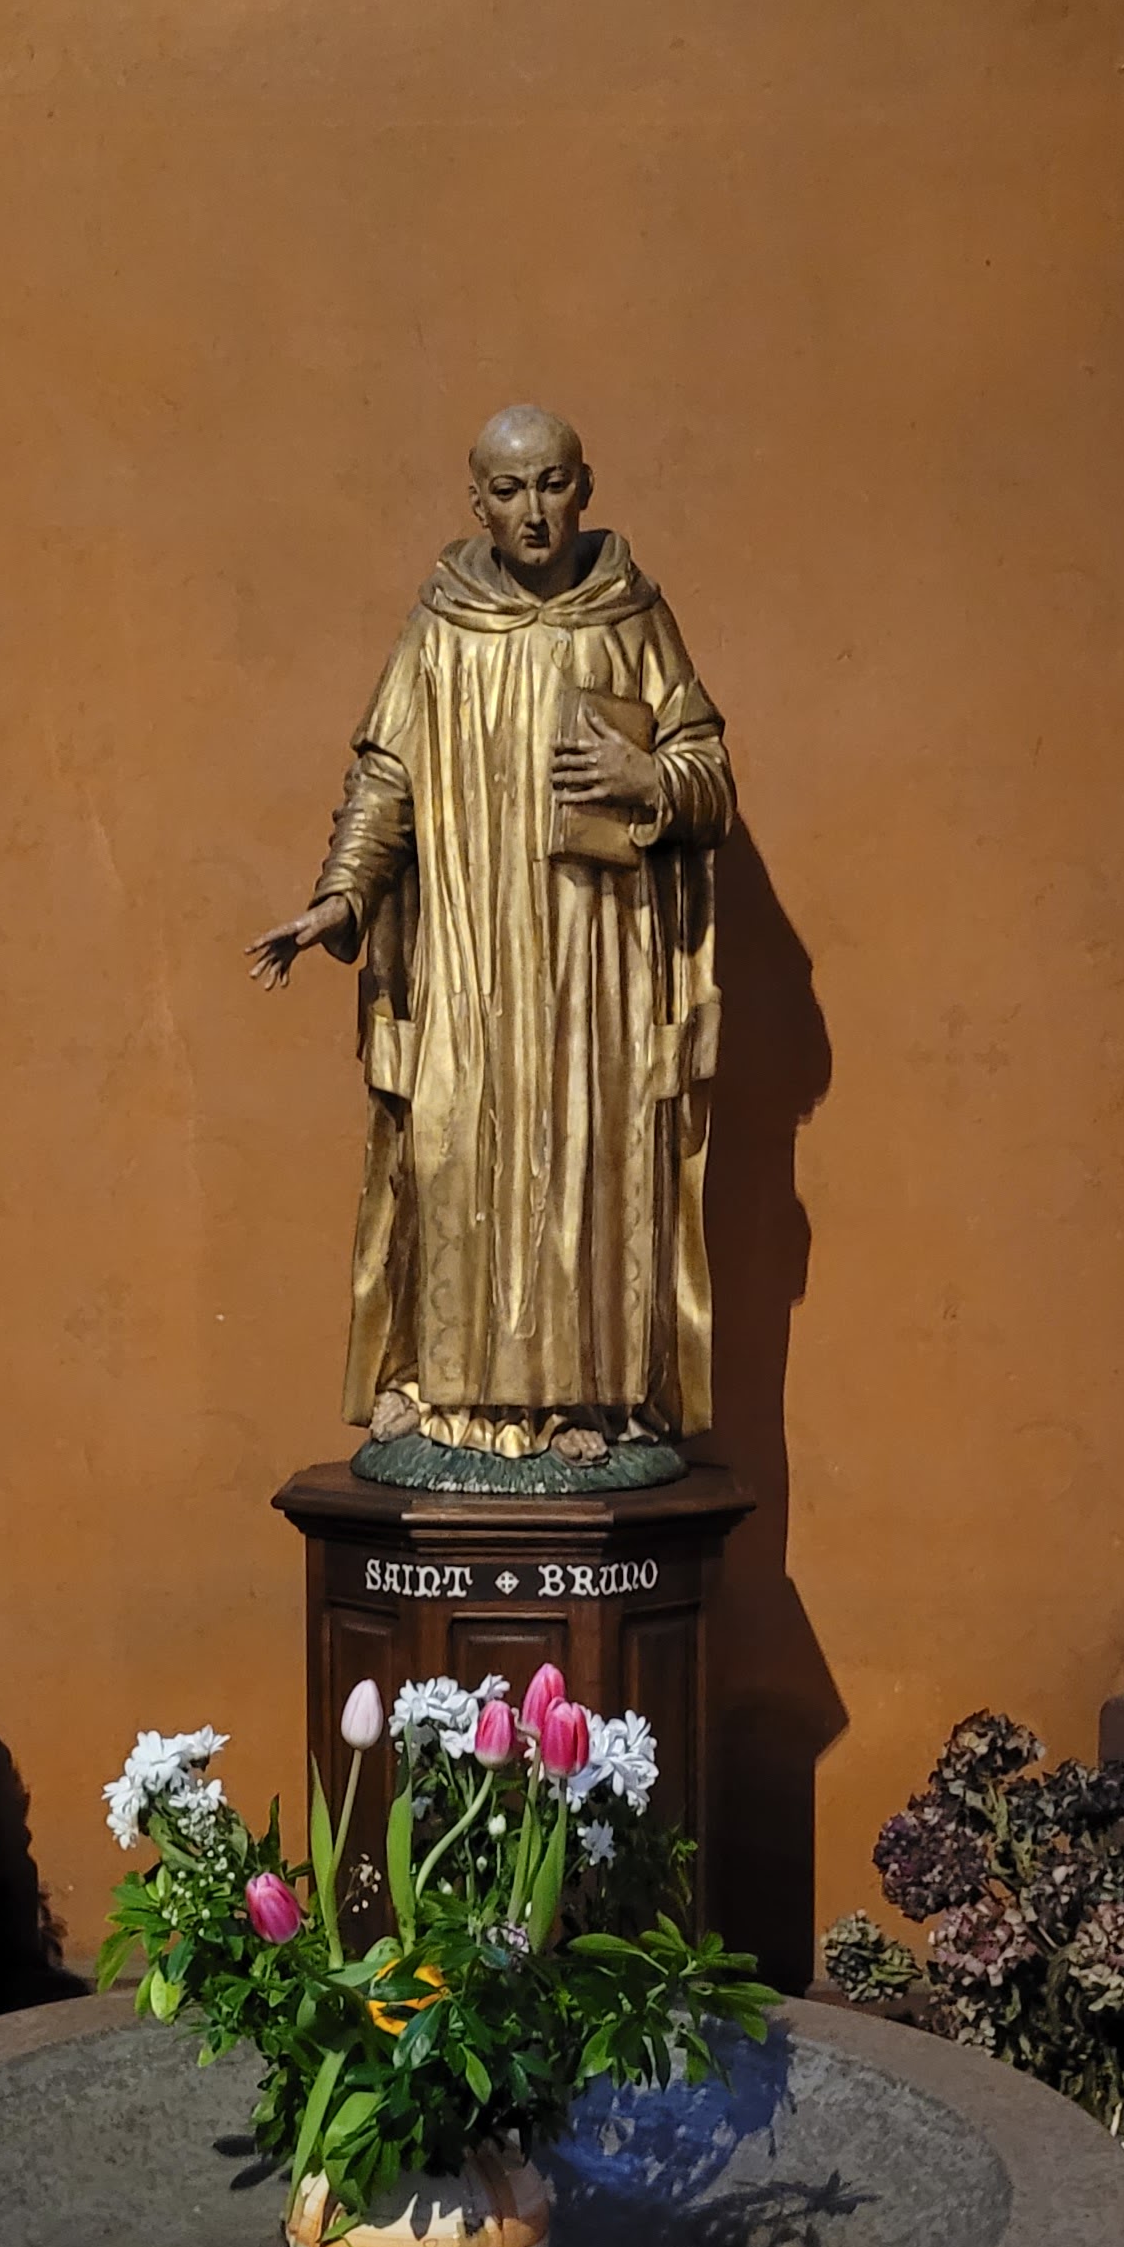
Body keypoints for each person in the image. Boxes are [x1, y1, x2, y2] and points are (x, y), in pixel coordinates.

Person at [249, 405, 734, 1466]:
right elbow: (385, 780)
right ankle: (448, 1395)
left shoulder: (632, 616)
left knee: (586, 1167)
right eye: (509, 491)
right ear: (477, 502)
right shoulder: (440, 628)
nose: (534, 512)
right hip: (468, 957)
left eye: (553, 484)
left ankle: (586, 1404)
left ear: (585, 487)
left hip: (595, 965)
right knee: (455, 1160)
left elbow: (709, 777)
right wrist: (340, 898)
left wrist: (648, 776)